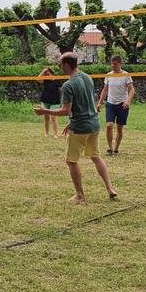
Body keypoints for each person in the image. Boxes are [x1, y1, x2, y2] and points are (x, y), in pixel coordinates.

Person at [34, 52, 117, 203]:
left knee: (71, 161)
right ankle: (110, 188)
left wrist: (44, 111)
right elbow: (87, 103)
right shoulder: (87, 78)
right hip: (94, 124)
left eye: (60, 64)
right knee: (95, 156)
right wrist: (71, 121)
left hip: (80, 127)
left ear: (66, 64)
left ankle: (80, 195)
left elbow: (65, 110)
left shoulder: (68, 85)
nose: (59, 67)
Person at [96, 55, 135, 155]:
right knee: (109, 125)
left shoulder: (126, 75)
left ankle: (116, 148)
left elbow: (132, 90)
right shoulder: (109, 75)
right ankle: (109, 148)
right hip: (110, 104)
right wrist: (100, 103)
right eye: (112, 64)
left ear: (120, 64)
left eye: (115, 64)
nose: (113, 66)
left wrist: (128, 101)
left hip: (122, 105)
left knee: (119, 128)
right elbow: (105, 89)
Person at [38, 66, 62, 138]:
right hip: (45, 100)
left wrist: (62, 101)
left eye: (46, 72)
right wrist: (43, 71)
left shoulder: (57, 80)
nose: (45, 74)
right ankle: (46, 133)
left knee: (53, 117)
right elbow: (38, 79)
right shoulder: (45, 79)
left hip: (55, 101)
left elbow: (61, 90)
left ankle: (55, 134)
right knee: (46, 117)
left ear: (50, 72)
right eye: (45, 73)